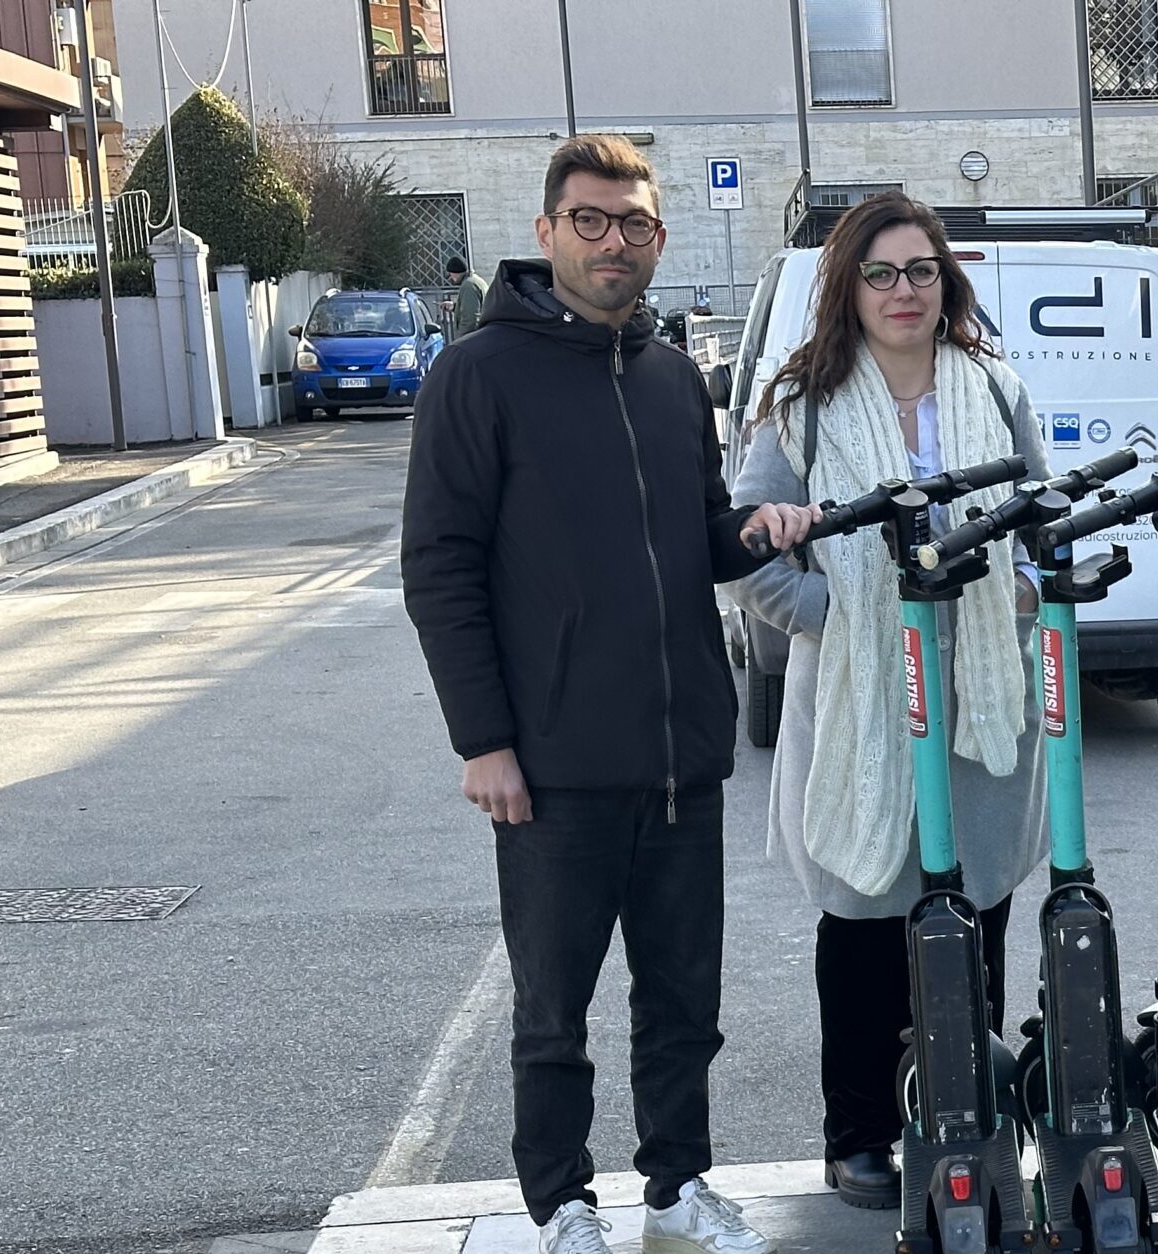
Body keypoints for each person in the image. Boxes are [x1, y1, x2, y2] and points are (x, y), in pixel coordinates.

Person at [401, 134, 805, 1254]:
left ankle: (677, 1186)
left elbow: (692, 538)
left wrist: (751, 533)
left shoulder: (673, 377)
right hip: (554, 764)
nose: (613, 242)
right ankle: (562, 1204)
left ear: (657, 240)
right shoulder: (477, 376)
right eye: (590, 220)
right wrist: (484, 741)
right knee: (552, 1013)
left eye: (634, 225)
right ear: (545, 233)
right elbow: (438, 568)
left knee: (684, 1009)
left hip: (682, 755)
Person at [723, 191, 1049, 1210]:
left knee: (977, 914)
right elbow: (742, 546)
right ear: (848, 290)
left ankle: (968, 1114)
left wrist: (1023, 597)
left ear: (944, 282)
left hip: (980, 697)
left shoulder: (993, 390)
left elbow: (1039, 516)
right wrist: (837, 612)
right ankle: (859, 1131)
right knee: (864, 932)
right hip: (863, 698)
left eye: (920, 271)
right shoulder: (803, 410)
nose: (903, 291)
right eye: (880, 273)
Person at [444, 255, 490, 340]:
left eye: (450, 274)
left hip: (473, 340)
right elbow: (474, 306)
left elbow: (470, 319)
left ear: (455, 272)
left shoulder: (468, 286)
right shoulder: (476, 280)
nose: (451, 278)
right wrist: (455, 307)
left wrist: (461, 341)